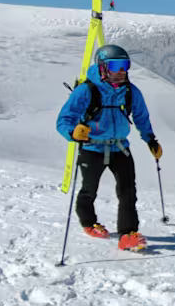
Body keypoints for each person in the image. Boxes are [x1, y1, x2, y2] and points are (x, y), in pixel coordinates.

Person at [56, 43, 162, 251]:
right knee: (89, 190)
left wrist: (150, 140)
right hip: (92, 148)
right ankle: (88, 223)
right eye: (116, 66)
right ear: (103, 67)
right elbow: (64, 119)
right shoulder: (85, 91)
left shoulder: (131, 92)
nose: (121, 71)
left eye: (125, 65)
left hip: (120, 148)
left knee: (128, 191)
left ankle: (127, 234)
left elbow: (141, 118)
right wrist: (72, 133)